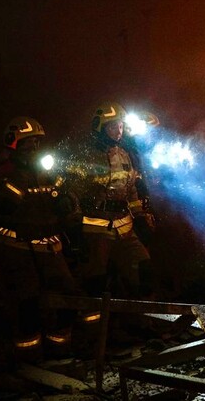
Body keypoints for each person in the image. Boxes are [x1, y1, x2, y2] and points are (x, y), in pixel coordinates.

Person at [0, 116, 81, 363]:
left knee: (67, 296)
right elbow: (0, 205)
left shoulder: (45, 172)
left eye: (37, 142)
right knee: (27, 305)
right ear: (13, 145)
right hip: (18, 249)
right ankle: (29, 358)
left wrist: (65, 200)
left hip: (49, 247)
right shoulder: (4, 173)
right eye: (28, 143)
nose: (34, 148)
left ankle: (59, 350)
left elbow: (65, 201)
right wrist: (21, 181)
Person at [60, 101, 156, 301]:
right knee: (95, 282)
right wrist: (74, 224)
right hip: (96, 229)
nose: (118, 131)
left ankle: (140, 323)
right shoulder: (86, 154)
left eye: (120, 126)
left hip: (124, 227)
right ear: (100, 127)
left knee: (143, 270)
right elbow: (71, 191)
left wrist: (139, 216)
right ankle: (94, 329)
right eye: (113, 126)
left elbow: (130, 192)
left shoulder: (124, 155)